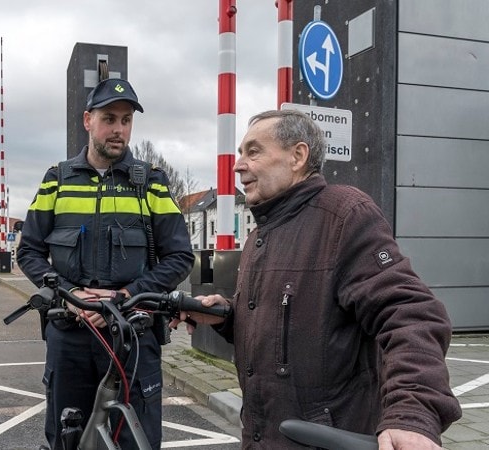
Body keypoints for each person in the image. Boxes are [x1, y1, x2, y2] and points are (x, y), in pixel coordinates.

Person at [177, 109, 462, 449]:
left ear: (298, 156)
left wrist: (412, 415)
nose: (238, 165)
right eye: (240, 153)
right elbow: (283, 321)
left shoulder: (344, 216)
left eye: (253, 151)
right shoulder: (258, 237)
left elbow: (412, 315)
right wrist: (226, 316)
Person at [16, 78, 194, 449]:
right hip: (69, 336)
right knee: (66, 439)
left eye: (126, 120)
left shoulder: (152, 183)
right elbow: (28, 251)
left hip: (132, 337)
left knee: (136, 441)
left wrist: (125, 296)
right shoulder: (57, 181)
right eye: (109, 118)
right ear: (88, 120)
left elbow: (180, 257)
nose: (119, 129)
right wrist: (69, 295)